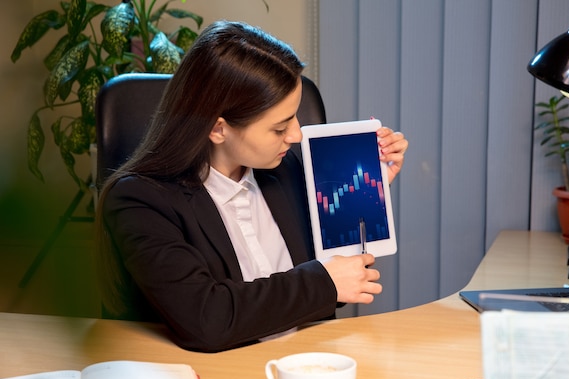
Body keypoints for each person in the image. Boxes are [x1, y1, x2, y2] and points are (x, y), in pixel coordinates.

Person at [96, 20, 408, 352]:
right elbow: (207, 319)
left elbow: (337, 276)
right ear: (218, 129)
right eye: (279, 127)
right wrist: (323, 284)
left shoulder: (282, 169)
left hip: (304, 364)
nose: (296, 135)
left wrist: (363, 196)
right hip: (216, 377)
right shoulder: (139, 202)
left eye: (295, 116)